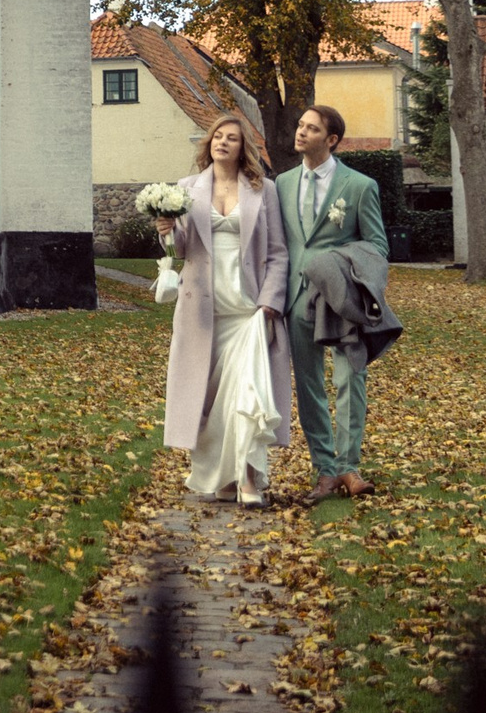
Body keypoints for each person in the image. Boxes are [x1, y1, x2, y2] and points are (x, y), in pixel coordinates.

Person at [159, 114, 292, 508]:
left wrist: (271, 300)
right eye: (218, 135)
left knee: (248, 393)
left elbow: (278, 253)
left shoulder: (262, 190)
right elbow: (180, 251)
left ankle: (250, 478)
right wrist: (165, 230)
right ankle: (224, 477)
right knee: (213, 399)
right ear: (209, 143)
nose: (223, 142)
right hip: (202, 308)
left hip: (249, 309)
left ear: (242, 148)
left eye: (232, 138)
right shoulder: (186, 189)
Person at [276, 104, 390, 502]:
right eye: (301, 126)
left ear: (332, 140)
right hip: (297, 299)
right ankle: (324, 471)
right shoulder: (282, 184)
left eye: (311, 128)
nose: (301, 132)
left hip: (342, 301)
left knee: (349, 380)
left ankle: (349, 467)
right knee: (309, 387)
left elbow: (377, 246)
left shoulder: (360, 186)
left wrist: (340, 264)